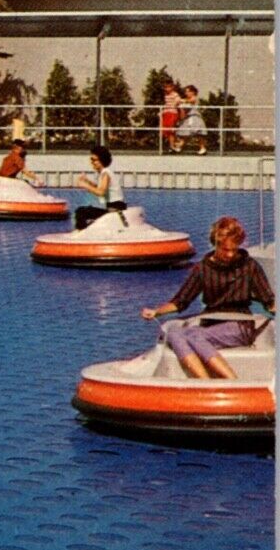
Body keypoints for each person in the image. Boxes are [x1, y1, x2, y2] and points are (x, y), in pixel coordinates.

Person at [141, 217, 275, 379]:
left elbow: (269, 301)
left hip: (239, 326)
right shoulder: (203, 268)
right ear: (216, 244)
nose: (231, 254)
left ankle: (232, 380)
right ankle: (204, 380)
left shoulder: (249, 265)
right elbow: (181, 302)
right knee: (174, 333)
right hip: (210, 325)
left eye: (234, 249)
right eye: (226, 250)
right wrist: (156, 312)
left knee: (194, 335)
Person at [74, 144, 125, 230]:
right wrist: (88, 181)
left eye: (94, 160)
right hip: (114, 208)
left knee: (81, 212)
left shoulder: (105, 174)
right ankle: (86, 229)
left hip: (114, 210)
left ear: (101, 160)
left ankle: (81, 233)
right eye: (91, 159)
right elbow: (100, 187)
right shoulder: (105, 173)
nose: (91, 162)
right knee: (86, 210)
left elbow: (101, 192)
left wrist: (85, 185)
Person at [175, 85, 208, 155]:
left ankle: (203, 148)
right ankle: (179, 147)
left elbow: (192, 101)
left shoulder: (194, 98)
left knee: (199, 134)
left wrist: (181, 100)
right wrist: (179, 107)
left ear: (193, 92)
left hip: (195, 118)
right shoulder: (185, 101)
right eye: (186, 91)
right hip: (188, 119)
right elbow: (183, 113)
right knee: (184, 133)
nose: (186, 93)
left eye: (188, 91)